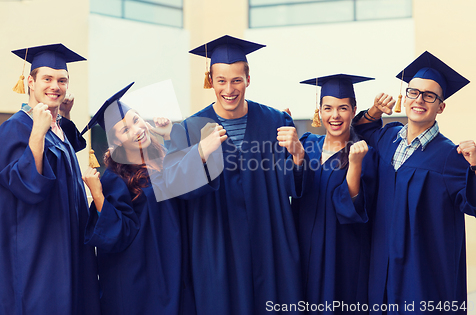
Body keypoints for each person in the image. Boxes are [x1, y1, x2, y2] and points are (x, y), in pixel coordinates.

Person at [164, 35, 303, 315]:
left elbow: (293, 185)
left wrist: (298, 156)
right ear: (211, 81)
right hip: (217, 248)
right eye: (221, 80)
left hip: (269, 243)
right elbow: (171, 185)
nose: (229, 89)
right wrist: (200, 153)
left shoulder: (276, 122)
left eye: (237, 80)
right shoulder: (191, 130)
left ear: (248, 79)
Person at [81, 82, 221, 315]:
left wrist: (178, 138)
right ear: (116, 143)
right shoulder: (115, 179)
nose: (137, 130)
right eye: (126, 130)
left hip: (174, 265)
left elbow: (189, 186)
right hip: (141, 278)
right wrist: (97, 193)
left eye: (136, 120)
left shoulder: (165, 158)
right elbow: (117, 235)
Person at [353, 51, 476, 314]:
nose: (419, 100)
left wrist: (475, 166)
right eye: (413, 92)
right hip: (382, 266)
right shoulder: (387, 137)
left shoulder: (450, 156)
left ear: (440, 106)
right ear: (405, 97)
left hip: (421, 273)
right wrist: (375, 110)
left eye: (429, 95)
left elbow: (473, 204)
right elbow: (362, 129)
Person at [0, 44, 100, 314]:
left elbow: (64, 157)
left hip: (67, 241)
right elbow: (27, 185)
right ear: (30, 81)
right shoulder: (16, 127)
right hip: (38, 248)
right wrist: (38, 132)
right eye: (47, 79)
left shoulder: (55, 125)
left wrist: (63, 116)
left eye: (62, 80)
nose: (55, 86)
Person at [277, 74, 377, 314]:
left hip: (341, 256)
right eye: (328, 108)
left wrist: (354, 165)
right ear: (319, 111)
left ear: (353, 110)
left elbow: (354, 209)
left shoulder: (365, 153)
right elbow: (292, 189)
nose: (335, 116)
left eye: (343, 108)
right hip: (301, 251)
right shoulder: (307, 143)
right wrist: (294, 153)